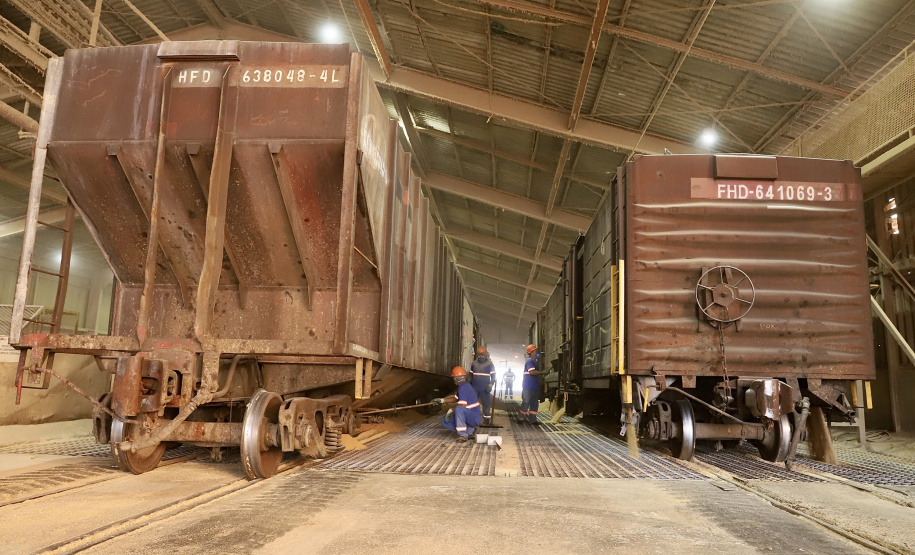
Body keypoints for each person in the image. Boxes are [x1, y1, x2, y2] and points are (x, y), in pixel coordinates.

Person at [433, 366, 482, 442]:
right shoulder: (465, 386)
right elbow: (455, 398)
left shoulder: (463, 387)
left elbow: (462, 406)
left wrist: (451, 410)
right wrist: (442, 400)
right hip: (471, 416)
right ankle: (470, 430)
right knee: (444, 421)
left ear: (454, 379)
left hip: (474, 417)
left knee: (458, 409)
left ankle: (463, 435)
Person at [469, 346, 495, 423]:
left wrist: (490, 385)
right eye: (479, 355)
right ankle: (473, 419)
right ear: (477, 355)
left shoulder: (490, 364)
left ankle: (486, 419)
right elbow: (470, 375)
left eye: (482, 355)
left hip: (485, 388)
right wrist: (469, 386)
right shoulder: (474, 364)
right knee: (473, 403)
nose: (481, 357)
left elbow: (493, 377)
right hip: (475, 387)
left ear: (486, 355)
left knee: (486, 404)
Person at [519, 344, 543, 424]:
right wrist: (542, 372)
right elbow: (532, 372)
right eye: (535, 351)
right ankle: (521, 418)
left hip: (534, 387)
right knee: (526, 402)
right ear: (531, 353)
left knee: (534, 403)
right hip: (528, 386)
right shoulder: (530, 361)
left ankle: (533, 420)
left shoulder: (535, 362)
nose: (537, 353)